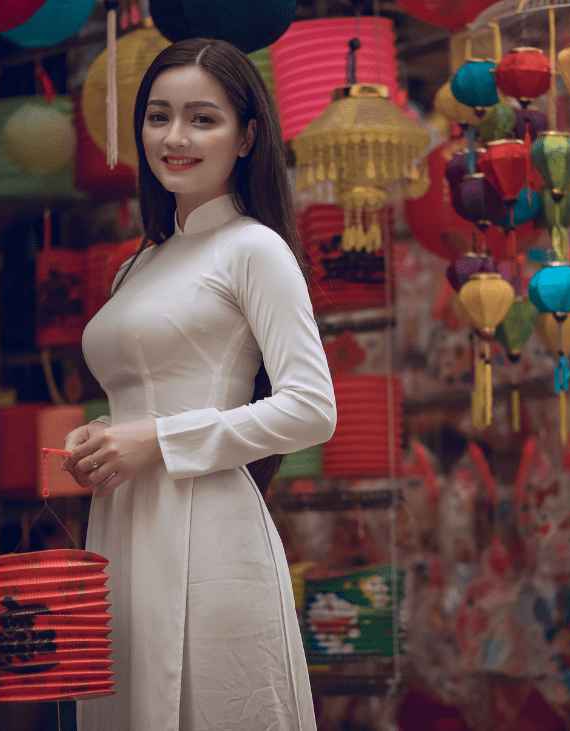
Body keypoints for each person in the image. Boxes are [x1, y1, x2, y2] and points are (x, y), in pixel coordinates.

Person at [62, 38, 337, 731]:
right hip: (121, 525)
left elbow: (311, 409)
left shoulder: (253, 247)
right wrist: (104, 434)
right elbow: (143, 394)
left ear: (247, 136)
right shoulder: (138, 264)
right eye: (158, 116)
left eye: (202, 118)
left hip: (206, 530)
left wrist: (156, 437)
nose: (174, 137)